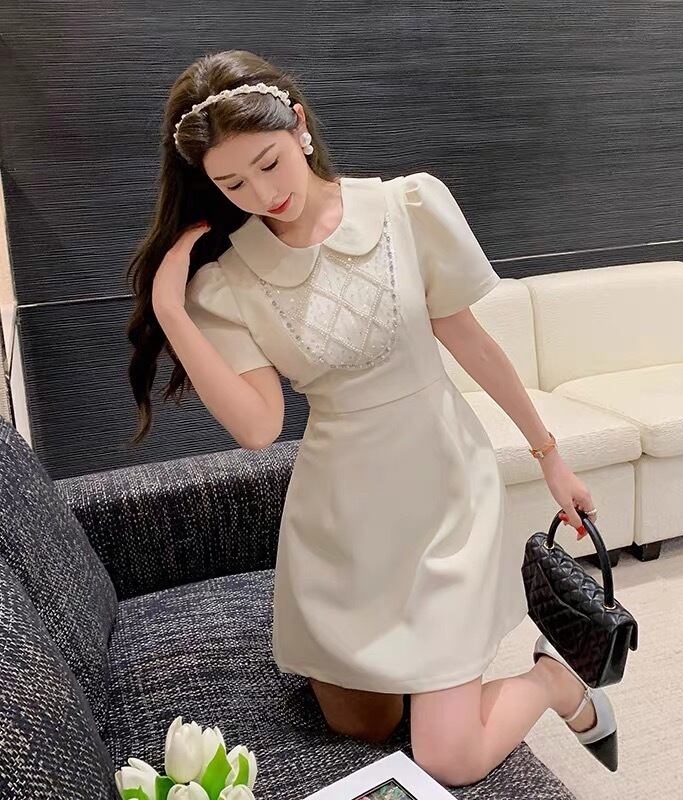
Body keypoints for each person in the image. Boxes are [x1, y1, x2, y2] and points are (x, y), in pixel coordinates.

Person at [125, 49, 616, 788]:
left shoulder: (406, 209)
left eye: (269, 164)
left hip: (444, 489)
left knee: (448, 758)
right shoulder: (227, 281)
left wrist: (550, 456)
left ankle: (552, 680)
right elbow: (258, 428)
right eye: (232, 183)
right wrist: (171, 309)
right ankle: (429, 675)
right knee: (363, 725)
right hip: (343, 517)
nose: (262, 193)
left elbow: (471, 343)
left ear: (299, 126)